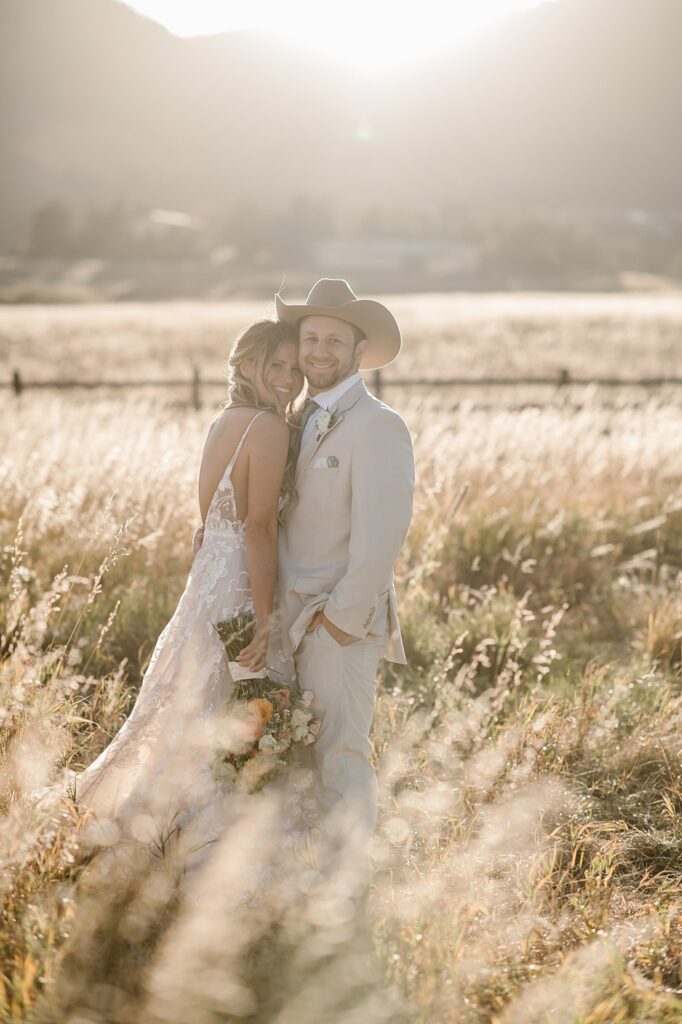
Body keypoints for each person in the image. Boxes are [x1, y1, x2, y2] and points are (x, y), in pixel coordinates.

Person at [51, 319, 304, 864]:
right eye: (274, 366)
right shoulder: (268, 427)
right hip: (240, 585)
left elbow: (207, 525)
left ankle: (156, 824)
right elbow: (257, 527)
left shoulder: (224, 422)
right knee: (236, 704)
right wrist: (263, 620)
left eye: (294, 368)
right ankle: (210, 838)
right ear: (244, 367)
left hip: (207, 586)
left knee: (194, 705)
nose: (289, 379)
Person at [274, 278, 415, 894]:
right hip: (284, 623)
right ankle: (311, 880)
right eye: (311, 337)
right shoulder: (295, 419)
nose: (319, 349)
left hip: (337, 624)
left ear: (359, 350)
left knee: (342, 755)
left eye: (334, 338)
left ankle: (350, 895)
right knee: (296, 759)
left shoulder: (378, 426)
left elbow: (381, 536)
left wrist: (339, 623)